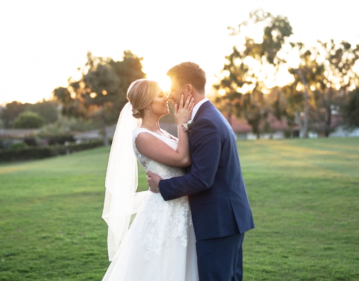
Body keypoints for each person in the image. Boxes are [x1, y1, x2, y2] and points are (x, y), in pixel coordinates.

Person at [147, 62, 255, 281]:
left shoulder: (205, 122)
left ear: (188, 89)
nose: (170, 96)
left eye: (173, 90)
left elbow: (202, 179)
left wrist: (162, 185)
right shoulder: (209, 116)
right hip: (227, 219)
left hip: (218, 223)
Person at [102, 78, 199, 280]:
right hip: (165, 212)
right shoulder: (142, 136)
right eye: (161, 95)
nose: (167, 98)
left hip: (182, 207)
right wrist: (182, 123)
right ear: (147, 103)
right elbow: (182, 158)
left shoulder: (162, 132)